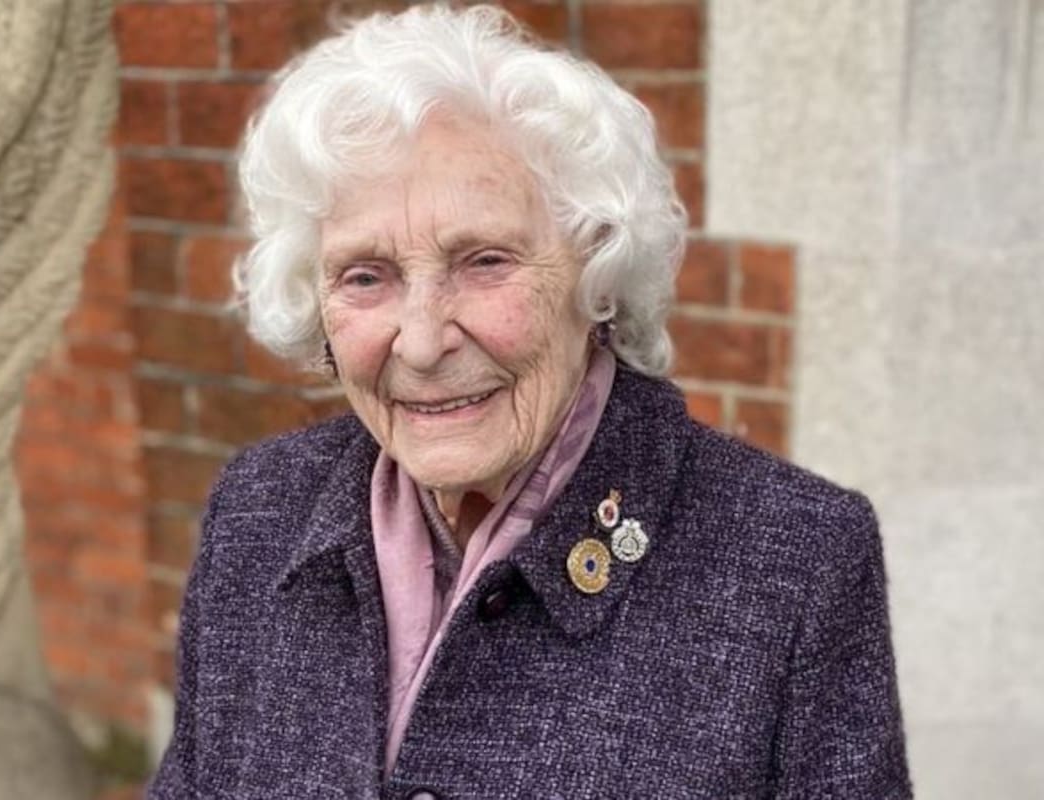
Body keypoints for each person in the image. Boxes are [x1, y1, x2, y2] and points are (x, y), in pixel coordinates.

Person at [148, 5, 912, 798]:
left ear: (598, 278)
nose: (420, 341)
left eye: (484, 261)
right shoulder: (257, 511)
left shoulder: (797, 562)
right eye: (366, 275)